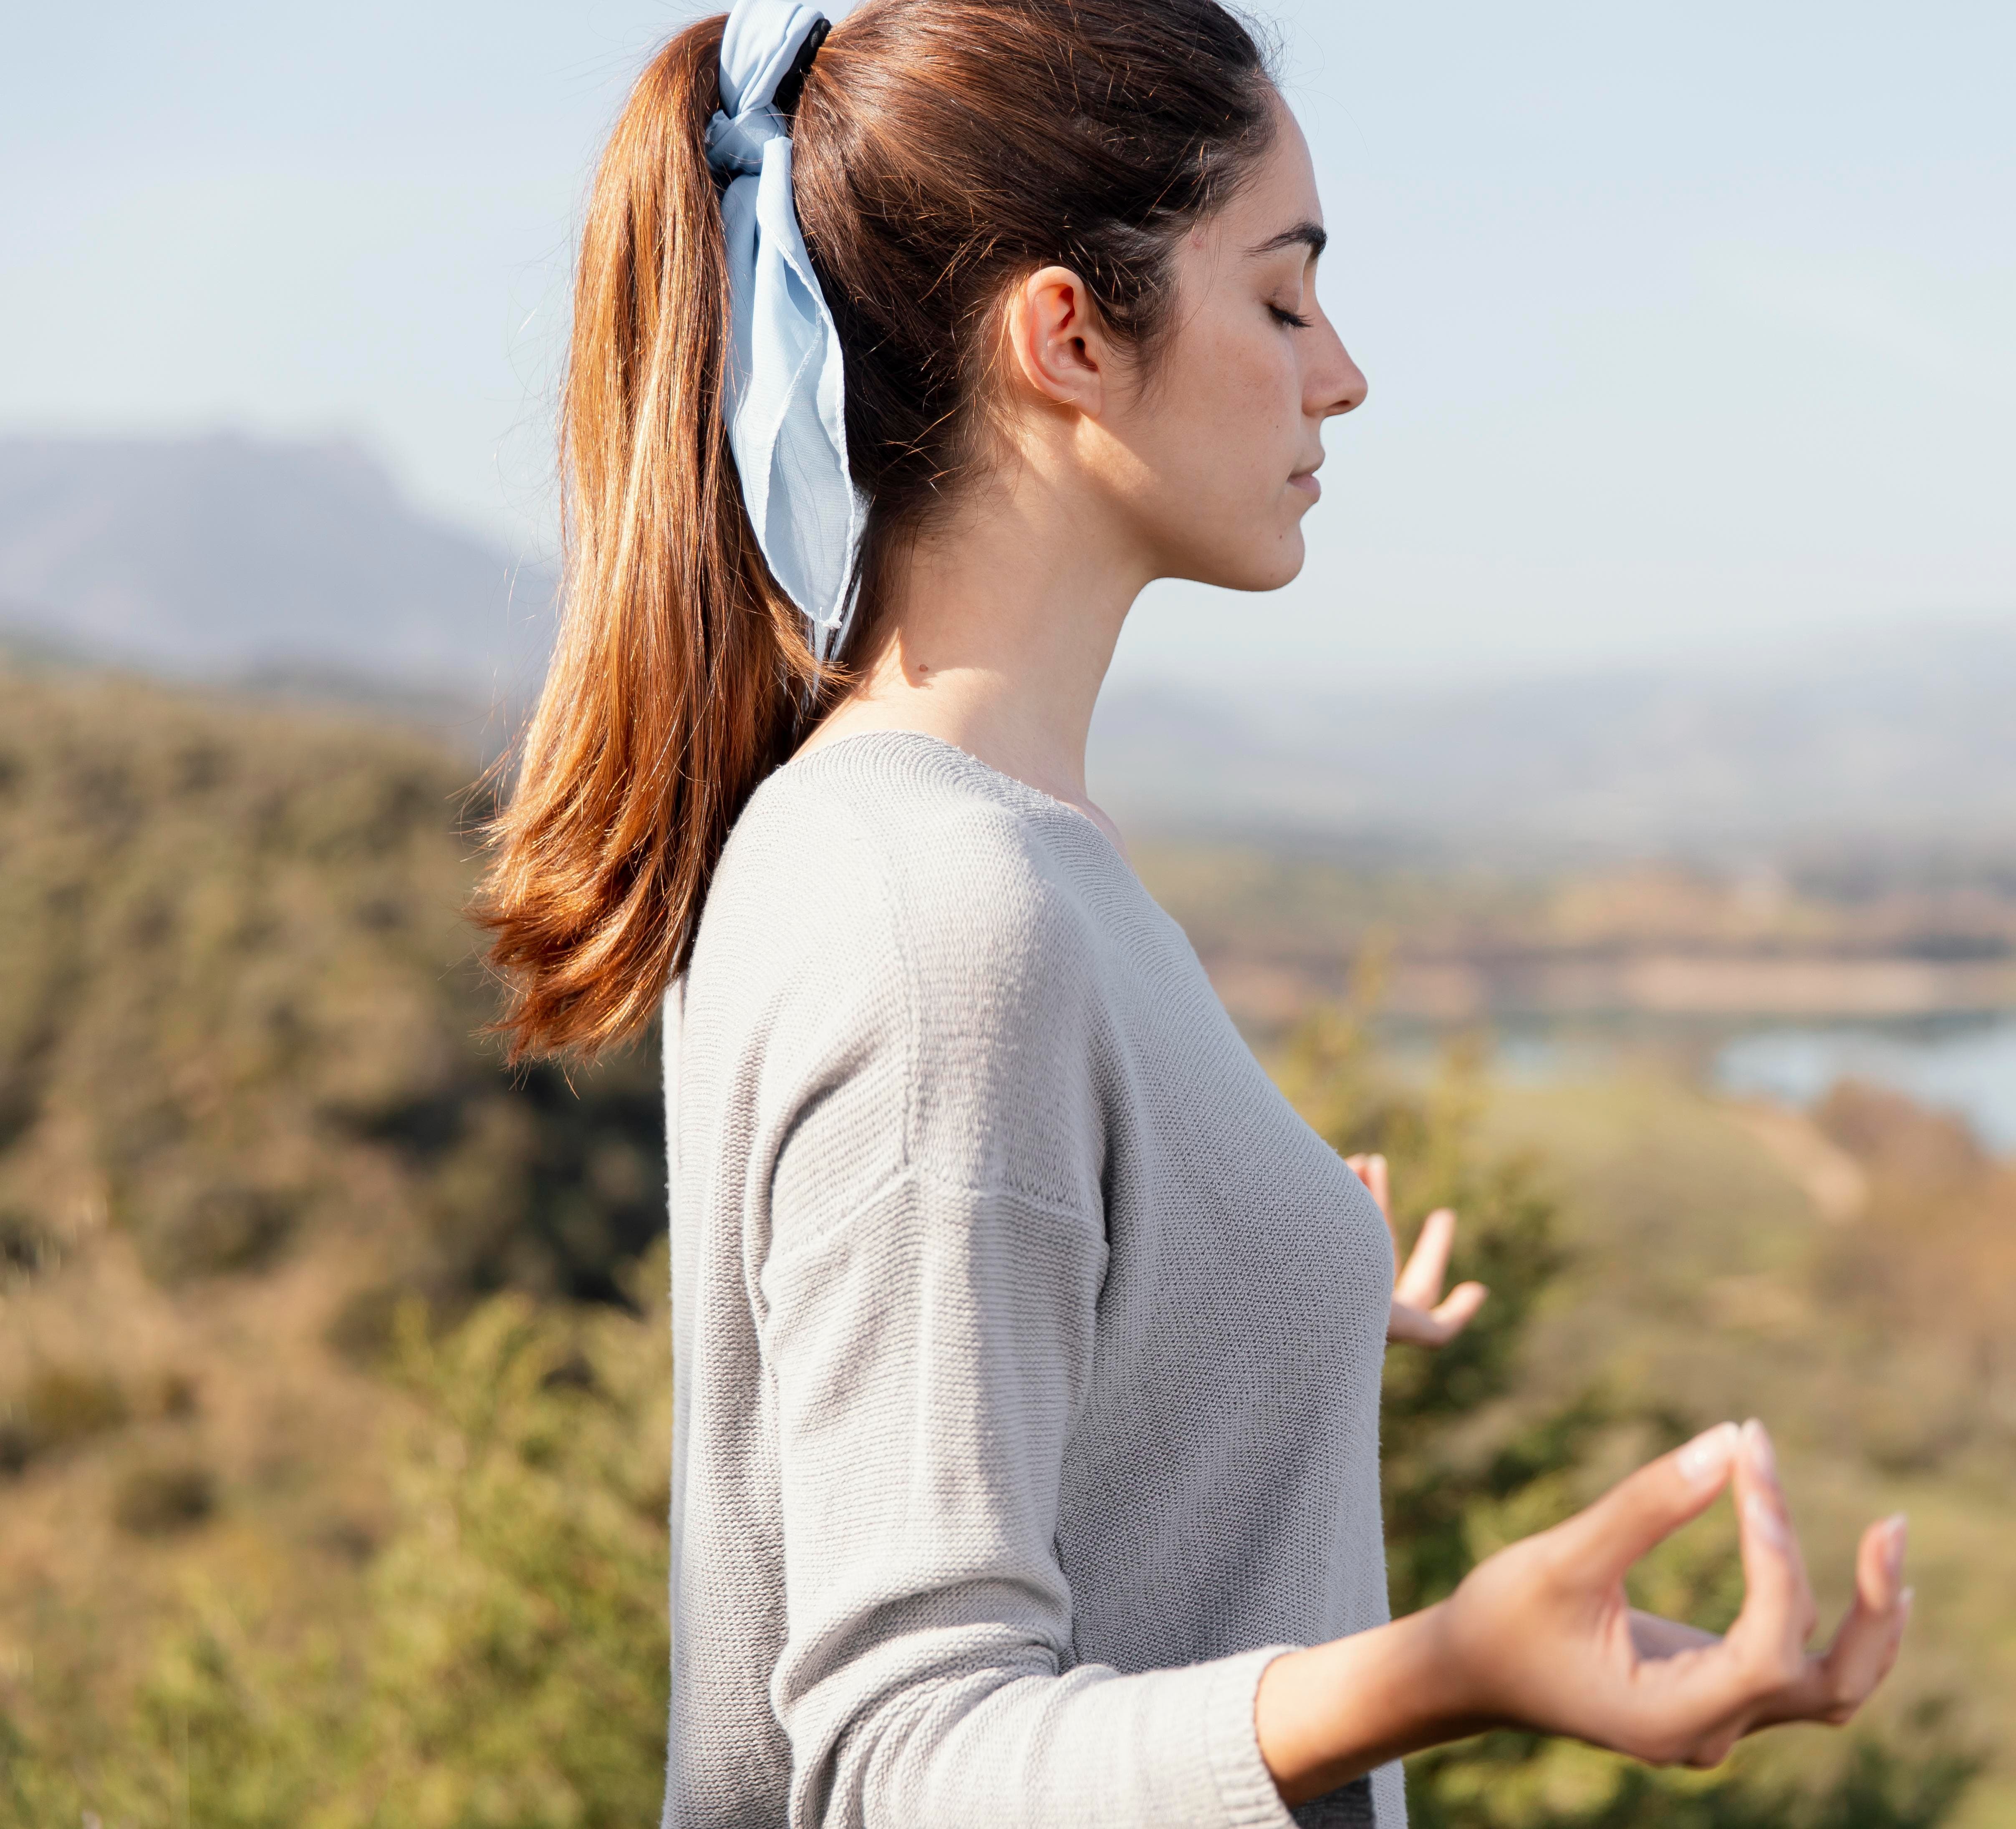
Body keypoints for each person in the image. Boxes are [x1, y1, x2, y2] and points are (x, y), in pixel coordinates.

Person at [476, 3, 1911, 1824]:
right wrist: (1451, 1669)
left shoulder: (982, 847)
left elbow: (999, 1330)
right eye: (1285, 298)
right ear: (1069, 336)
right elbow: (911, 1759)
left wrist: (1248, 1284)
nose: (1343, 376)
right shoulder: (940, 920)